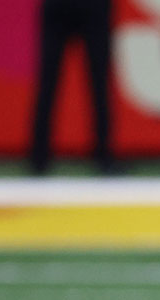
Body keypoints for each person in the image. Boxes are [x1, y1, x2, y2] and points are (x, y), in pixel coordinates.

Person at [29, 0, 114, 175]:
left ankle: (104, 155)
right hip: (59, 7)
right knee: (48, 81)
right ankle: (39, 158)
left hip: (94, 8)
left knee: (100, 82)